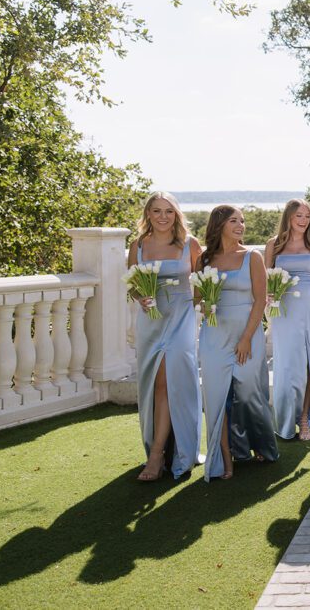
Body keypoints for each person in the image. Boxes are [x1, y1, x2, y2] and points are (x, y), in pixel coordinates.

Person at [197, 205, 278, 481]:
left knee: (249, 394)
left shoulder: (252, 257)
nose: (241, 225)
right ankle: (224, 459)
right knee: (216, 397)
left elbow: (260, 300)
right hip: (213, 336)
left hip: (247, 334)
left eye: (242, 221)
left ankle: (260, 444)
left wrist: (246, 339)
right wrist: (205, 306)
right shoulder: (205, 260)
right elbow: (198, 297)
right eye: (234, 221)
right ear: (219, 224)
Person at [127, 192, 202, 481]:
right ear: (148, 214)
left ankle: (158, 456)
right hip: (150, 323)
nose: (162, 216)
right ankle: (160, 449)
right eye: (156, 211)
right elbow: (133, 284)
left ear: (176, 215)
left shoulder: (189, 245)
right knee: (155, 386)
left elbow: (202, 283)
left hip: (180, 322)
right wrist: (141, 298)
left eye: (168, 211)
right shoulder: (139, 246)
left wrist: (193, 302)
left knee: (169, 383)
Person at [265, 199, 310, 442]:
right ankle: (285, 420)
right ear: (288, 217)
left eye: (307, 216)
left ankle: (305, 417)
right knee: (286, 365)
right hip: (284, 310)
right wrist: (269, 295)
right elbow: (264, 278)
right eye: (299, 216)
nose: (303, 220)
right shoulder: (273, 245)